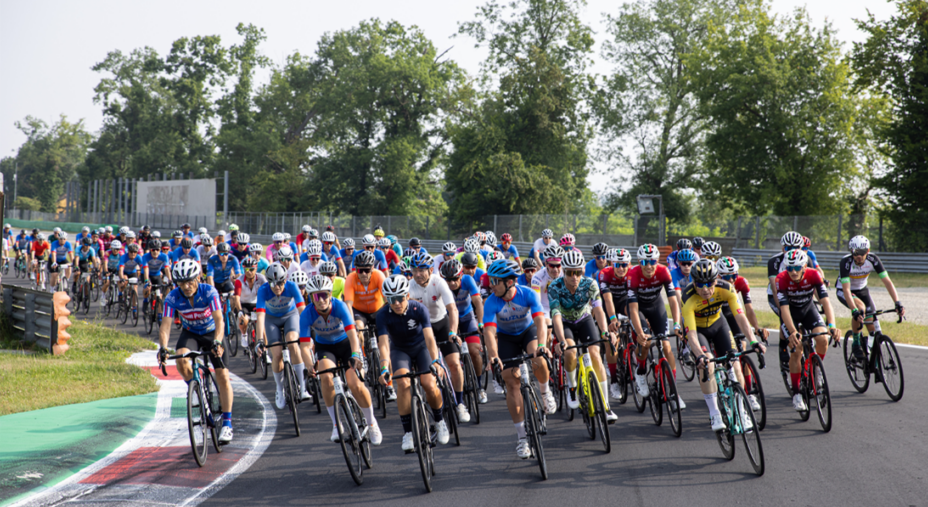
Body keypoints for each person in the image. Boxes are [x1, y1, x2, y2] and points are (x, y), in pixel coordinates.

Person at [158, 259, 234, 444]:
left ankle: (227, 423)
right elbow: (166, 326)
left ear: (198, 277)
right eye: (182, 283)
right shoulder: (173, 297)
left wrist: (217, 341)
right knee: (182, 362)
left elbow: (219, 321)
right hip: (191, 333)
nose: (186, 286)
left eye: (190, 281)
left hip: (211, 333)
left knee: (222, 376)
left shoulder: (209, 291)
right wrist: (163, 348)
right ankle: (198, 391)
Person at [301, 274, 382, 444]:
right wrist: (309, 366)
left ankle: (372, 422)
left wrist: (355, 355)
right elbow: (304, 345)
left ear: (330, 295)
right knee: (325, 378)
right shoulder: (307, 314)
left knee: (354, 384)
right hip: (325, 347)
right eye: (317, 296)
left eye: (324, 295)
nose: (321, 300)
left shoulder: (340, 307)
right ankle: (337, 425)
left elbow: (353, 336)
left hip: (346, 344)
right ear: (311, 298)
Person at [483, 259, 551, 459]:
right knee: (511, 382)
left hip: (527, 332)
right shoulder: (491, 301)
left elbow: (540, 322)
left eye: (495, 281)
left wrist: (542, 345)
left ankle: (546, 394)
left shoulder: (528, 293)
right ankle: (522, 438)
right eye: (490, 280)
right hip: (506, 339)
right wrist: (493, 356)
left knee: (538, 359)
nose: (490, 285)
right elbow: (488, 332)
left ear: (509, 282)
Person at [685, 259, 764, 432]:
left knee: (735, 364)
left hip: (719, 325)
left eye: (709, 283)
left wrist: (753, 340)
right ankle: (714, 413)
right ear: (693, 282)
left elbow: (740, 317)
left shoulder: (727, 288)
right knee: (708, 364)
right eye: (700, 284)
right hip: (699, 331)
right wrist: (699, 355)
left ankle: (742, 411)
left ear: (716, 280)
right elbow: (691, 334)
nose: (705, 289)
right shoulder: (688, 297)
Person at [376, 275, 450, 451]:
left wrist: (436, 361)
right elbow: (384, 344)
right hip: (400, 350)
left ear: (407, 296)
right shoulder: (382, 315)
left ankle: (439, 420)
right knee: (402, 382)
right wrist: (385, 367)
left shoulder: (419, 308)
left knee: (428, 383)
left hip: (421, 347)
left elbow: (430, 339)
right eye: (391, 299)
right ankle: (408, 432)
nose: (396, 303)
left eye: (400, 298)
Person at [550, 250, 618, 422]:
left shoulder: (590, 284)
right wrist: (562, 340)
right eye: (570, 273)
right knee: (570, 352)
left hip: (584, 319)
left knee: (595, 355)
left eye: (578, 272)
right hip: (565, 323)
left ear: (582, 271)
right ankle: (572, 387)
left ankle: (606, 406)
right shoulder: (554, 287)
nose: (574, 277)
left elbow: (597, 309)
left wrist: (604, 331)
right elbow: (556, 315)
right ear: (563, 272)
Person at [408, 252, 469, 423]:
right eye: (414, 270)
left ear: (430, 270)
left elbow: (452, 309)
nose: (417, 274)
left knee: (455, 364)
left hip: (442, 324)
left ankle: (460, 403)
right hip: (422, 328)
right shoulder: (410, 286)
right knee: (430, 371)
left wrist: (453, 331)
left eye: (422, 270)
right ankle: (436, 406)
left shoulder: (438, 282)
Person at [776, 249, 840, 411]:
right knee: (796, 349)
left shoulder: (813, 275)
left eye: (797, 267)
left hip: (808, 309)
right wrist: (792, 331)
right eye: (790, 268)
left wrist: (831, 325)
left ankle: (815, 369)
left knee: (823, 339)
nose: (794, 271)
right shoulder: (781, 279)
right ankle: (797, 394)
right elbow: (783, 310)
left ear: (805, 266)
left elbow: (825, 302)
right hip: (791, 313)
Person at [628, 244, 683, 406]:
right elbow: (632, 308)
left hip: (656, 306)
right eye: (645, 262)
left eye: (652, 261)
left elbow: (673, 300)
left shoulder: (663, 271)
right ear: (639, 262)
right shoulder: (633, 274)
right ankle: (641, 371)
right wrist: (640, 332)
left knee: (666, 346)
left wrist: (677, 324)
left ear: (657, 261)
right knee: (645, 343)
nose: (649, 265)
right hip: (639, 308)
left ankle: (673, 391)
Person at [836, 236, 906, 360]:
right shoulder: (845, 262)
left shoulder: (873, 259)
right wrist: (854, 310)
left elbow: (888, 282)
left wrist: (897, 302)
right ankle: (856, 343)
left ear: (867, 251)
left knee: (872, 326)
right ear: (851, 251)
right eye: (856, 253)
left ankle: (870, 355)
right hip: (845, 291)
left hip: (862, 290)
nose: (859, 256)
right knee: (860, 308)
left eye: (862, 253)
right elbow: (846, 289)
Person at [257, 263, 312, 405]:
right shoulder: (263, 291)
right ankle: (279, 390)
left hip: (290, 316)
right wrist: (260, 340)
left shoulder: (292, 287)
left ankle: (302, 387)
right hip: (272, 320)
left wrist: (308, 333)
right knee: (276, 354)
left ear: (285, 280)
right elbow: (260, 317)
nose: (276, 287)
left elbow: (302, 311)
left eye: (280, 283)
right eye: (273, 284)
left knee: (292, 342)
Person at [440, 259, 488, 404]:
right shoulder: (441, 285)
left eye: (455, 279)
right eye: (448, 280)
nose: (452, 283)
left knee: (474, 351)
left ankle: (479, 387)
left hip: (467, 318)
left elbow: (478, 303)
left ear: (461, 275)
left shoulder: (468, 280)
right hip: (449, 320)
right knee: (451, 357)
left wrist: (480, 322)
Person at [599, 248, 632, 399]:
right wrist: (612, 319)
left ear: (629, 264)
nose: (621, 268)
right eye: (617, 265)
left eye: (624, 265)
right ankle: (613, 381)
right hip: (608, 305)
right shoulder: (604, 273)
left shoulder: (632, 273)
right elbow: (607, 300)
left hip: (625, 302)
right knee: (610, 341)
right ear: (612, 263)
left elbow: (635, 299)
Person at [234, 257, 266, 342]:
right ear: (244, 269)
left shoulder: (261, 278)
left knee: (263, 329)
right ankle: (244, 334)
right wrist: (240, 310)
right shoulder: (239, 280)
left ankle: (265, 351)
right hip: (244, 304)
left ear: (256, 269)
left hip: (257, 304)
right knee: (244, 319)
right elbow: (237, 298)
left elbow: (268, 292)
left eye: (252, 269)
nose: (249, 272)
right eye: (247, 269)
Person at [141, 239, 172, 312]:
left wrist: (170, 280)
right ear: (149, 249)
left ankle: (159, 315)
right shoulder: (145, 256)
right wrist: (146, 281)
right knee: (148, 288)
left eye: (157, 250)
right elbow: (146, 270)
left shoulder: (164, 256)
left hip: (156, 275)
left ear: (160, 249)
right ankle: (145, 301)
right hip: (146, 274)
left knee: (159, 296)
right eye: (153, 250)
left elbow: (167, 269)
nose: (155, 252)